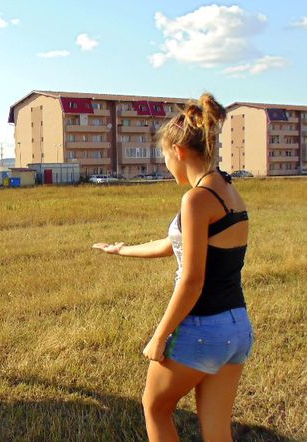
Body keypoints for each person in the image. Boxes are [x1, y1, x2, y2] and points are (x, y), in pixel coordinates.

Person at [93, 93, 252, 441]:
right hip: (237, 328)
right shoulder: (227, 190)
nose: (166, 164)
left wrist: (160, 337)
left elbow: (192, 281)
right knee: (216, 430)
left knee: (155, 408)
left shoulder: (196, 199)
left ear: (178, 152)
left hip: (202, 328)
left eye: (165, 156)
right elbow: (173, 245)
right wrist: (123, 250)